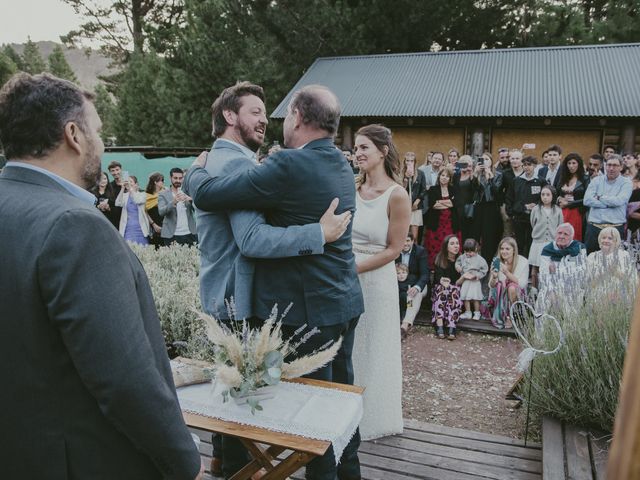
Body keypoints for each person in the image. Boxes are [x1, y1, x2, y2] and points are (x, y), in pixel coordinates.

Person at [0, 73, 203, 479]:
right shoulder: (75, 226)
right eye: (98, 130)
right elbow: (124, 380)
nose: (102, 142)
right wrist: (185, 462)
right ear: (73, 135)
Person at [185, 84, 364, 480]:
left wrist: (192, 176)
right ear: (230, 117)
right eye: (256, 111)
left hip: (306, 308)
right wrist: (318, 233)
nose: (268, 119)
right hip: (319, 301)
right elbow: (249, 238)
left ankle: (240, 467)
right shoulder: (337, 161)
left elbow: (231, 217)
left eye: (274, 112)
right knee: (333, 406)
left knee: (314, 414)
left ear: (297, 118)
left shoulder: (281, 165)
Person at [351, 124, 410, 440]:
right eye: (356, 148)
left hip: (376, 280)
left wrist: (354, 268)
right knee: (350, 348)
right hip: (347, 274)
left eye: (364, 148)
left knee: (374, 348)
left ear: (383, 151)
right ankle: (347, 415)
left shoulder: (397, 195)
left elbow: (394, 249)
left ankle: (373, 418)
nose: (357, 153)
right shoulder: (353, 189)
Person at [583, 154, 632, 254]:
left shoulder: (626, 183)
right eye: (609, 165)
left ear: (621, 167)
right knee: (590, 259)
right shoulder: (596, 180)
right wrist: (607, 204)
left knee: (613, 262)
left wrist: (600, 197)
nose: (611, 168)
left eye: (615, 165)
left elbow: (619, 201)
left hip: (615, 228)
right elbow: (587, 200)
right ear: (605, 166)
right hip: (594, 228)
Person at [483, 237, 529, 329]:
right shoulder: (497, 261)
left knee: (512, 287)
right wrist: (494, 277)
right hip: (500, 295)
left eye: (507, 249)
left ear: (514, 250)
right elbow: (491, 286)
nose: (504, 251)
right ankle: (500, 315)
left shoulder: (523, 261)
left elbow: (522, 284)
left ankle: (511, 317)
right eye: (502, 249)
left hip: (518, 295)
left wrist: (506, 273)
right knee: (500, 285)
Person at [506, 155, 546, 257]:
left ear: (535, 166)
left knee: (532, 243)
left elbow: (544, 199)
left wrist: (536, 206)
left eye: (529, 165)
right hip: (519, 218)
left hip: (535, 219)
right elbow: (510, 199)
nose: (527, 167)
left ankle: (531, 267)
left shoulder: (541, 181)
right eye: (524, 165)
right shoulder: (516, 181)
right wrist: (514, 212)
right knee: (519, 244)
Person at [529, 185, 564, 289]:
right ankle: (534, 290)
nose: (545, 197)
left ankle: (548, 288)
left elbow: (560, 226)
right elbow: (533, 223)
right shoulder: (536, 209)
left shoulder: (557, 210)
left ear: (553, 196)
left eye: (548, 195)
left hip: (551, 243)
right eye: (543, 194)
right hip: (538, 242)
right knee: (535, 267)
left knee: (550, 266)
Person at [471, 152, 503, 265]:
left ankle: (488, 262)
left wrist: (491, 177)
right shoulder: (476, 174)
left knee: (489, 236)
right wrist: (475, 174)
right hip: (479, 207)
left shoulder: (498, 174)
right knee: (475, 234)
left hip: (491, 207)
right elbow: (472, 191)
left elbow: (497, 193)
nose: (484, 161)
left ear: (491, 162)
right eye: (482, 159)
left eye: (487, 159)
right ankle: (474, 261)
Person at [424, 166, 460, 268]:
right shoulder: (433, 189)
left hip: (451, 223)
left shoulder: (454, 189)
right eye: (442, 175)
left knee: (449, 245)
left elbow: (455, 204)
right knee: (435, 246)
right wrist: (448, 202)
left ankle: (449, 266)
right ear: (439, 177)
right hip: (437, 223)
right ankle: (434, 267)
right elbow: (433, 205)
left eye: (447, 176)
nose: (444, 178)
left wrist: (440, 201)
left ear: (450, 179)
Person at [396, 232, 429, 338]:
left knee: (414, 295)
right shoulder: (395, 251)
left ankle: (405, 326)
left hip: (417, 284)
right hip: (399, 284)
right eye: (403, 240)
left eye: (408, 241)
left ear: (412, 241)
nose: (405, 243)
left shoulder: (420, 252)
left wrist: (417, 287)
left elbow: (425, 275)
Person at [431, 234, 463, 339]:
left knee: (453, 292)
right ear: (446, 246)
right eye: (452, 243)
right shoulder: (439, 258)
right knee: (442, 290)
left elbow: (461, 280)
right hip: (441, 287)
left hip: (456, 287)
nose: (456, 246)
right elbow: (437, 278)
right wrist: (443, 282)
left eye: (457, 243)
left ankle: (452, 326)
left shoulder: (462, 260)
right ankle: (439, 324)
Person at [158, 167, 198, 246]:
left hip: (190, 233)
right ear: (170, 178)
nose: (178, 180)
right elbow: (161, 212)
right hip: (171, 235)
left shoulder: (189, 191)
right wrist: (174, 202)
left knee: (192, 258)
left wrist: (190, 199)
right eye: (175, 178)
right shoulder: (163, 193)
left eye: (180, 178)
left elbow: (197, 208)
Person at [556, 153, 589, 242]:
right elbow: (555, 193)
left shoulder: (585, 178)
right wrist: (559, 199)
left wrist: (569, 203)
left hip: (577, 212)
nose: (571, 166)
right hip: (562, 211)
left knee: (573, 237)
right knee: (560, 236)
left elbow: (588, 199)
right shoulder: (563, 177)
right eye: (569, 163)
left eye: (574, 163)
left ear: (579, 164)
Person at [456, 238, 488, 320]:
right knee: (465, 297)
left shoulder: (480, 260)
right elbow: (457, 262)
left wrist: (478, 276)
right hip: (465, 280)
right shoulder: (462, 257)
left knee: (475, 298)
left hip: (474, 281)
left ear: (476, 249)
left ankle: (477, 313)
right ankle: (468, 312)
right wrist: (458, 267)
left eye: (470, 252)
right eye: (466, 252)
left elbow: (484, 270)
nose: (468, 254)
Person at [115, 174, 151, 245]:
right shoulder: (125, 196)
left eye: (131, 181)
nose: (129, 183)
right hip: (128, 228)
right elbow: (118, 203)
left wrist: (131, 190)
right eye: (127, 181)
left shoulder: (142, 194)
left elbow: (137, 200)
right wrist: (122, 188)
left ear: (136, 184)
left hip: (141, 229)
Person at [402, 151, 427, 241]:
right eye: (407, 160)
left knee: (414, 236)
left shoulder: (420, 173)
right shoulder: (400, 173)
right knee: (403, 235)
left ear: (415, 162)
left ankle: (414, 253)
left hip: (415, 207)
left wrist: (417, 201)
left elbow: (424, 189)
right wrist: (406, 178)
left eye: (412, 161)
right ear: (404, 161)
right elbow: (399, 189)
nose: (409, 163)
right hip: (403, 207)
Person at [454, 155, 476, 242]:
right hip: (457, 207)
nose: (466, 167)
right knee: (459, 231)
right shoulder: (456, 175)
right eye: (463, 164)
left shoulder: (473, 175)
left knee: (469, 231)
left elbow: (476, 191)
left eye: (468, 165)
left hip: (469, 208)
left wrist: (472, 177)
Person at [145, 171, 165, 249]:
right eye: (162, 180)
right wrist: (154, 225)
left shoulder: (165, 193)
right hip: (153, 227)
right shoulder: (146, 195)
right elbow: (145, 211)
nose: (164, 182)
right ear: (155, 182)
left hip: (165, 225)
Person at [107, 160, 123, 229]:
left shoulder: (128, 183)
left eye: (117, 170)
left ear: (121, 170)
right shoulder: (109, 186)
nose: (115, 172)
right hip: (114, 220)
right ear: (110, 172)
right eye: (113, 170)